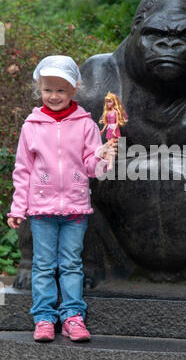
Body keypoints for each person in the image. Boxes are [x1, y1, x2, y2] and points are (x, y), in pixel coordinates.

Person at [7, 55, 117, 342]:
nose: (53, 96)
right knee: (43, 265)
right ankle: (43, 317)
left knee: (70, 264)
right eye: (48, 89)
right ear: (39, 89)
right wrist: (18, 207)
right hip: (41, 211)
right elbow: (23, 171)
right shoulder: (31, 126)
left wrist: (105, 157)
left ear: (74, 89)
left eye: (60, 90)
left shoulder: (86, 125)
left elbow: (93, 168)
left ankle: (72, 316)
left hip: (75, 210)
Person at [98, 91, 127, 171]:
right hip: (109, 130)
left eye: (110, 101)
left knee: (110, 145)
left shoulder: (115, 112)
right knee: (111, 148)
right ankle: (108, 162)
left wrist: (114, 130)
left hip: (114, 130)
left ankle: (109, 162)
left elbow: (117, 122)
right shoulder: (107, 112)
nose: (108, 104)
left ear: (114, 102)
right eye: (107, 102)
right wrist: (102, 130)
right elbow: (106, 123)